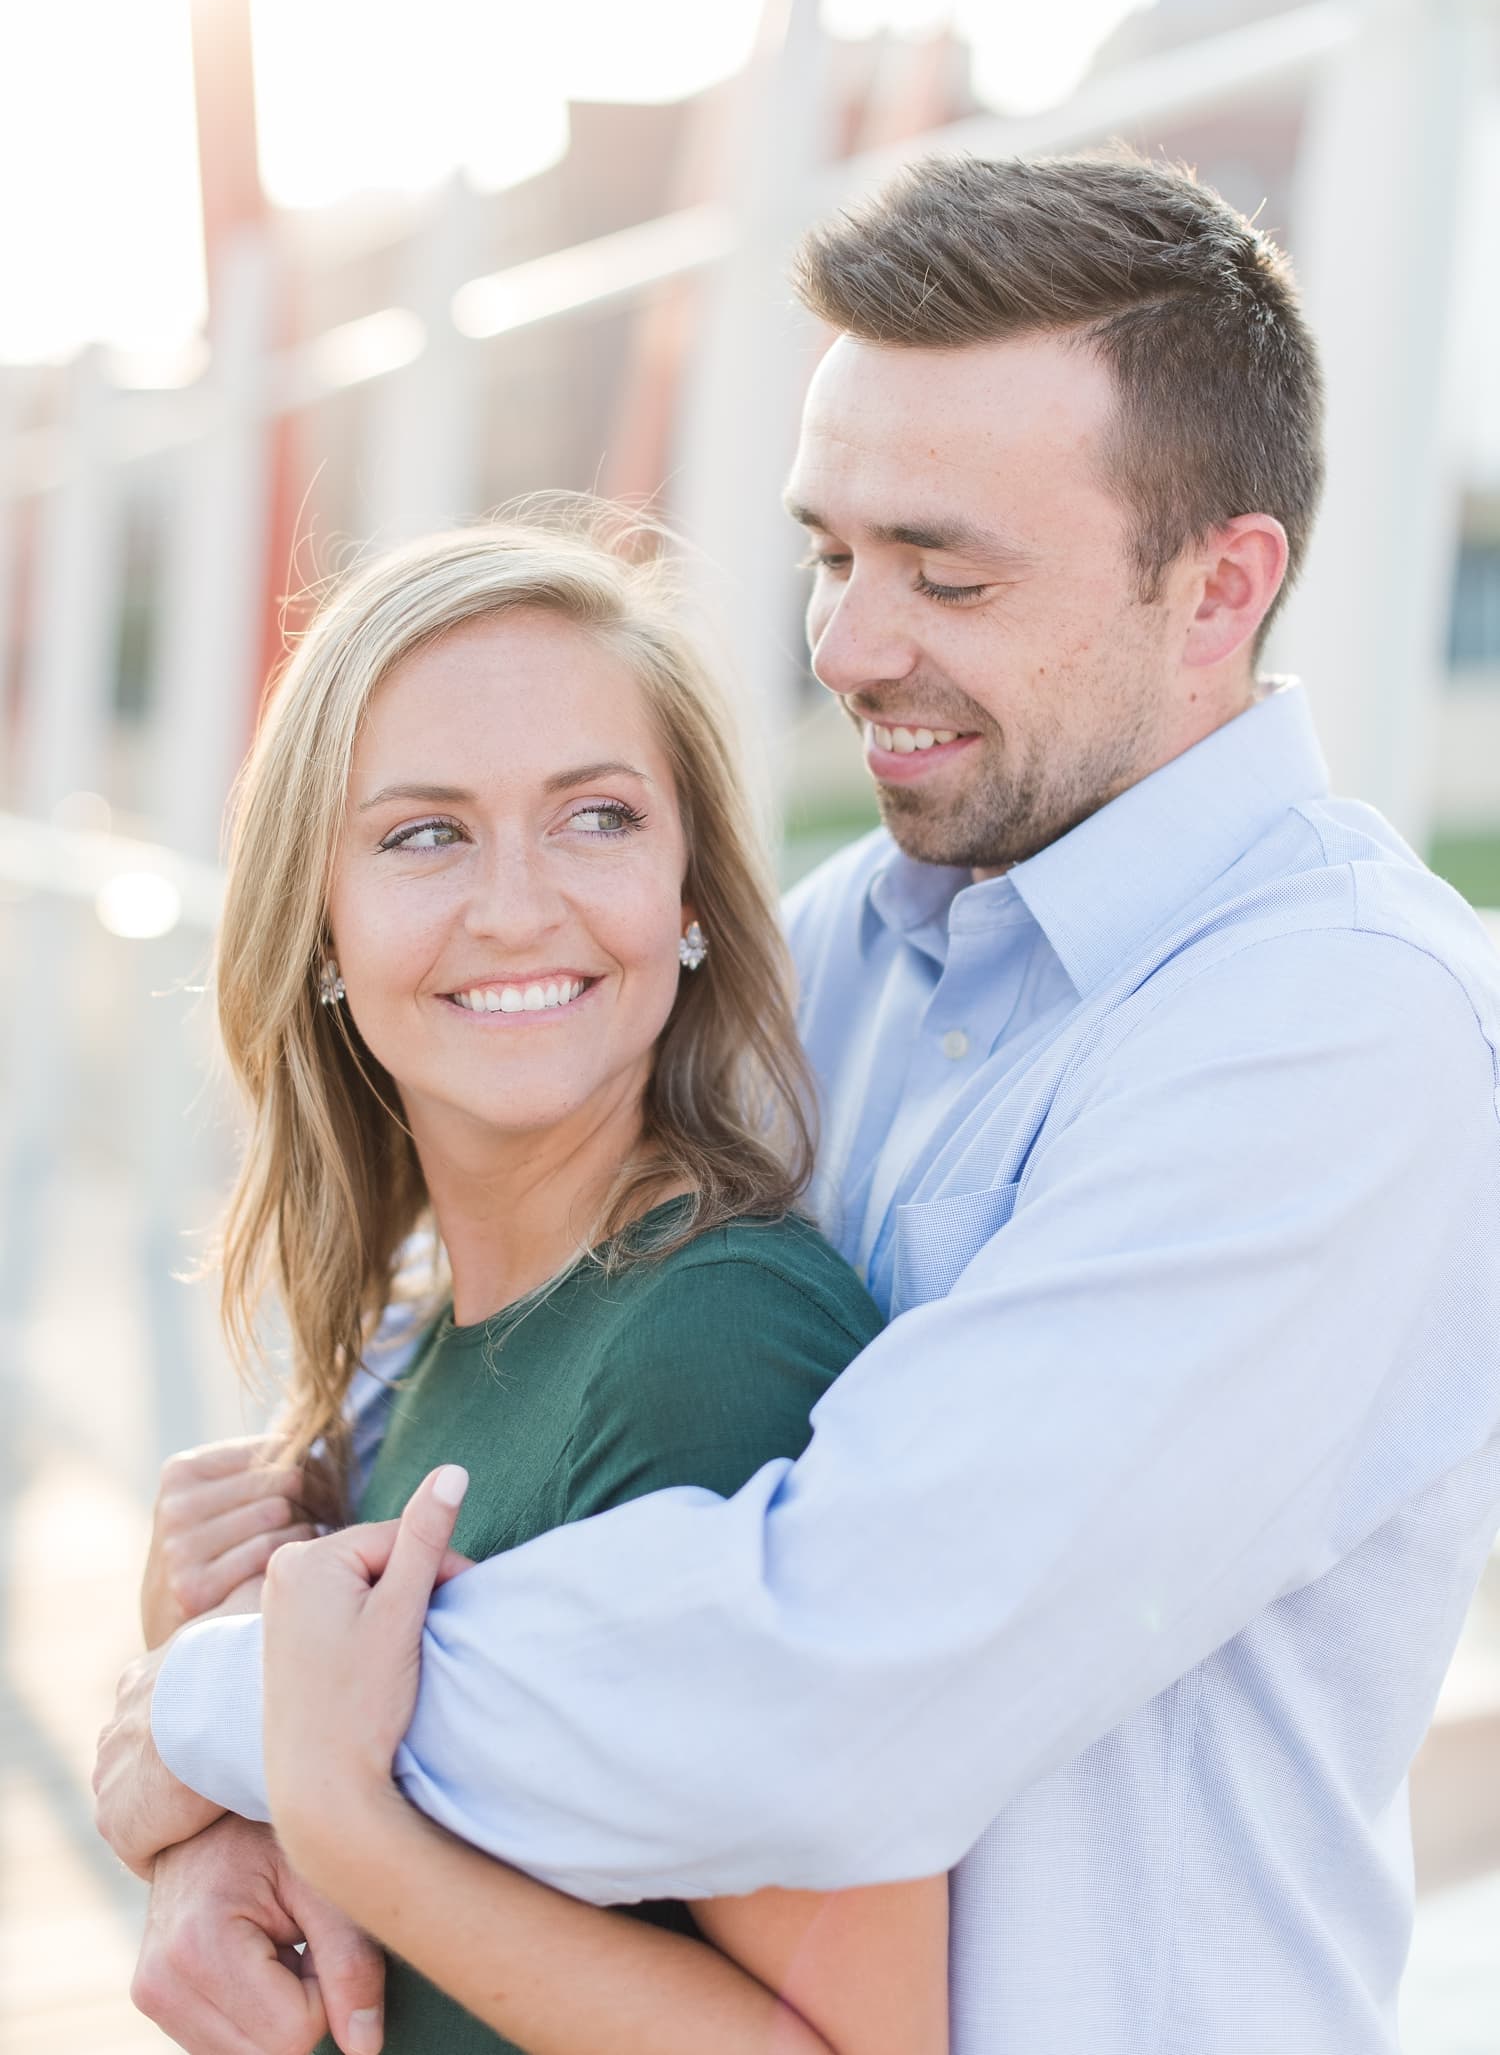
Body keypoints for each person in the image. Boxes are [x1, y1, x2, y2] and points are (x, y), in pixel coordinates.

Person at [97, 153, 1500, 2055]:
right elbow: (499, 1326)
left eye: (948, 573)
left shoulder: (1345, 1038)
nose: (844, 646)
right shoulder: (855, 943)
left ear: (1219, 586)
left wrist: (231, 1721)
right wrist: (214, 1751)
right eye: (834, 553)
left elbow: (835, 1688)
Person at [98, 512, 948, 2055]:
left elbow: (868, 2043)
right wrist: (201, 1747)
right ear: (325, 929)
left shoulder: (711, 1345)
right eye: (425, 833)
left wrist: (333, 1814)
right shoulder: (411, 1349)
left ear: (690, 893)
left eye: (599, 817)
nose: (517, 905)